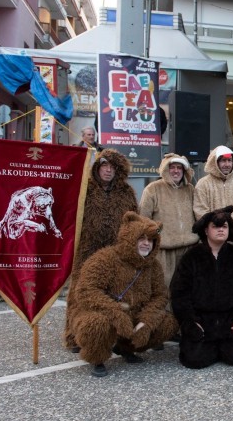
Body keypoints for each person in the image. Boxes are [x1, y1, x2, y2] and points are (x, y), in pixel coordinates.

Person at [66, 212, 178, 377]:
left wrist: (146, 322)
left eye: (151, 240)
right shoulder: (105, 259)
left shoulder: (153, 267)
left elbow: (160, 296)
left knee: (168, 323)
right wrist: (116, 313)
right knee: (96, 324)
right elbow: (86, 291)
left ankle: (126, 348)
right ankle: (97, 358)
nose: (146, 243)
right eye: (141, 238)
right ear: (129, 237)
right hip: (102, 314)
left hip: (133, 316)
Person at [64, 149, 139, 351]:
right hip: (87, 248)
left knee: (115, 292)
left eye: (112, 167)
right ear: (97, 168)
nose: (108, 171)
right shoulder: (83, 189)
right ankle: (73, 334)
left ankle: (111, 334)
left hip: (115, 251)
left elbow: (133, 220)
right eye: (104, 166)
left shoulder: (127, 193)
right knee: (80, 291)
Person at [170, 206, 233, 369]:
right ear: (206, 230)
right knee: (194, 360)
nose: (221, 230)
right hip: (203, 320)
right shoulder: (191, 257)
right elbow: (180, 294)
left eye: (224, 227)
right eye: (216, 226)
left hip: (229, 320)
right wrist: (190, 321)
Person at [139, 153, 198, 288]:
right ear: (166, 169)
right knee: (164, 285)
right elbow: (144, 218)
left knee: (187, 285)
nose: (176, 171)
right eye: (172, 167)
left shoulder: (190, 189)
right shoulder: (153, 189)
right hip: (164, 249)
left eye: (179, 168)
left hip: (189, 247)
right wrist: (157, 235)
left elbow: (197, 215)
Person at [194, 146, 233, 245]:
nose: (227, 164)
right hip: (210, 240)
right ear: (215, 162)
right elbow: (200, 210)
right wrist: (216, 226)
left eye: (229, 160)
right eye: (223, 161)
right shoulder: (203, 184)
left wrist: (230, 225)